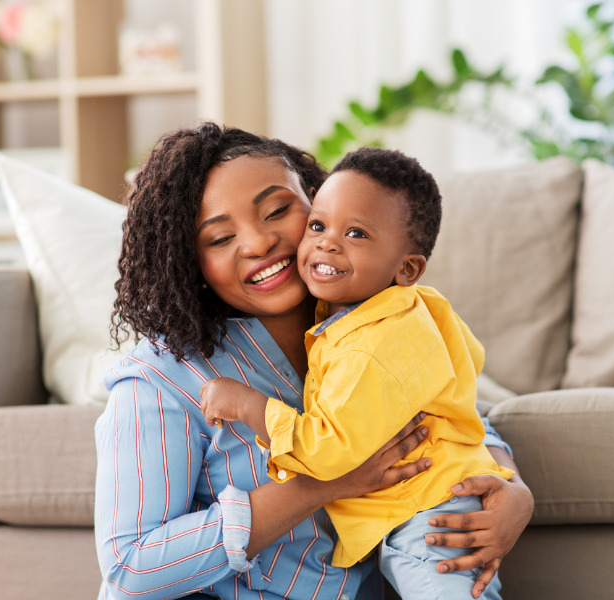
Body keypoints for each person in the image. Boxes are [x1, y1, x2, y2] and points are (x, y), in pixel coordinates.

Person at [95, 122, 534, 600]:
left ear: (315, 196)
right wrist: (319, 484)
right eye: (220, 239)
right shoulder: (161, 377)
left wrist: (512, 490)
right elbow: (130, 566)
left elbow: (451, 408)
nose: (258, 243)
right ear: (189, 261)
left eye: (278, 210)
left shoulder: (379, 317)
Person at [199, 147, 514, 599]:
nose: (328, 243)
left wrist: (249, 405)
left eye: (357, 234)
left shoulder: (368, 344)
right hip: (438, 495)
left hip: (425, 514)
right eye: (318, 225)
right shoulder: (411, 306)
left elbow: (330, 453)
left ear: (407, 268)